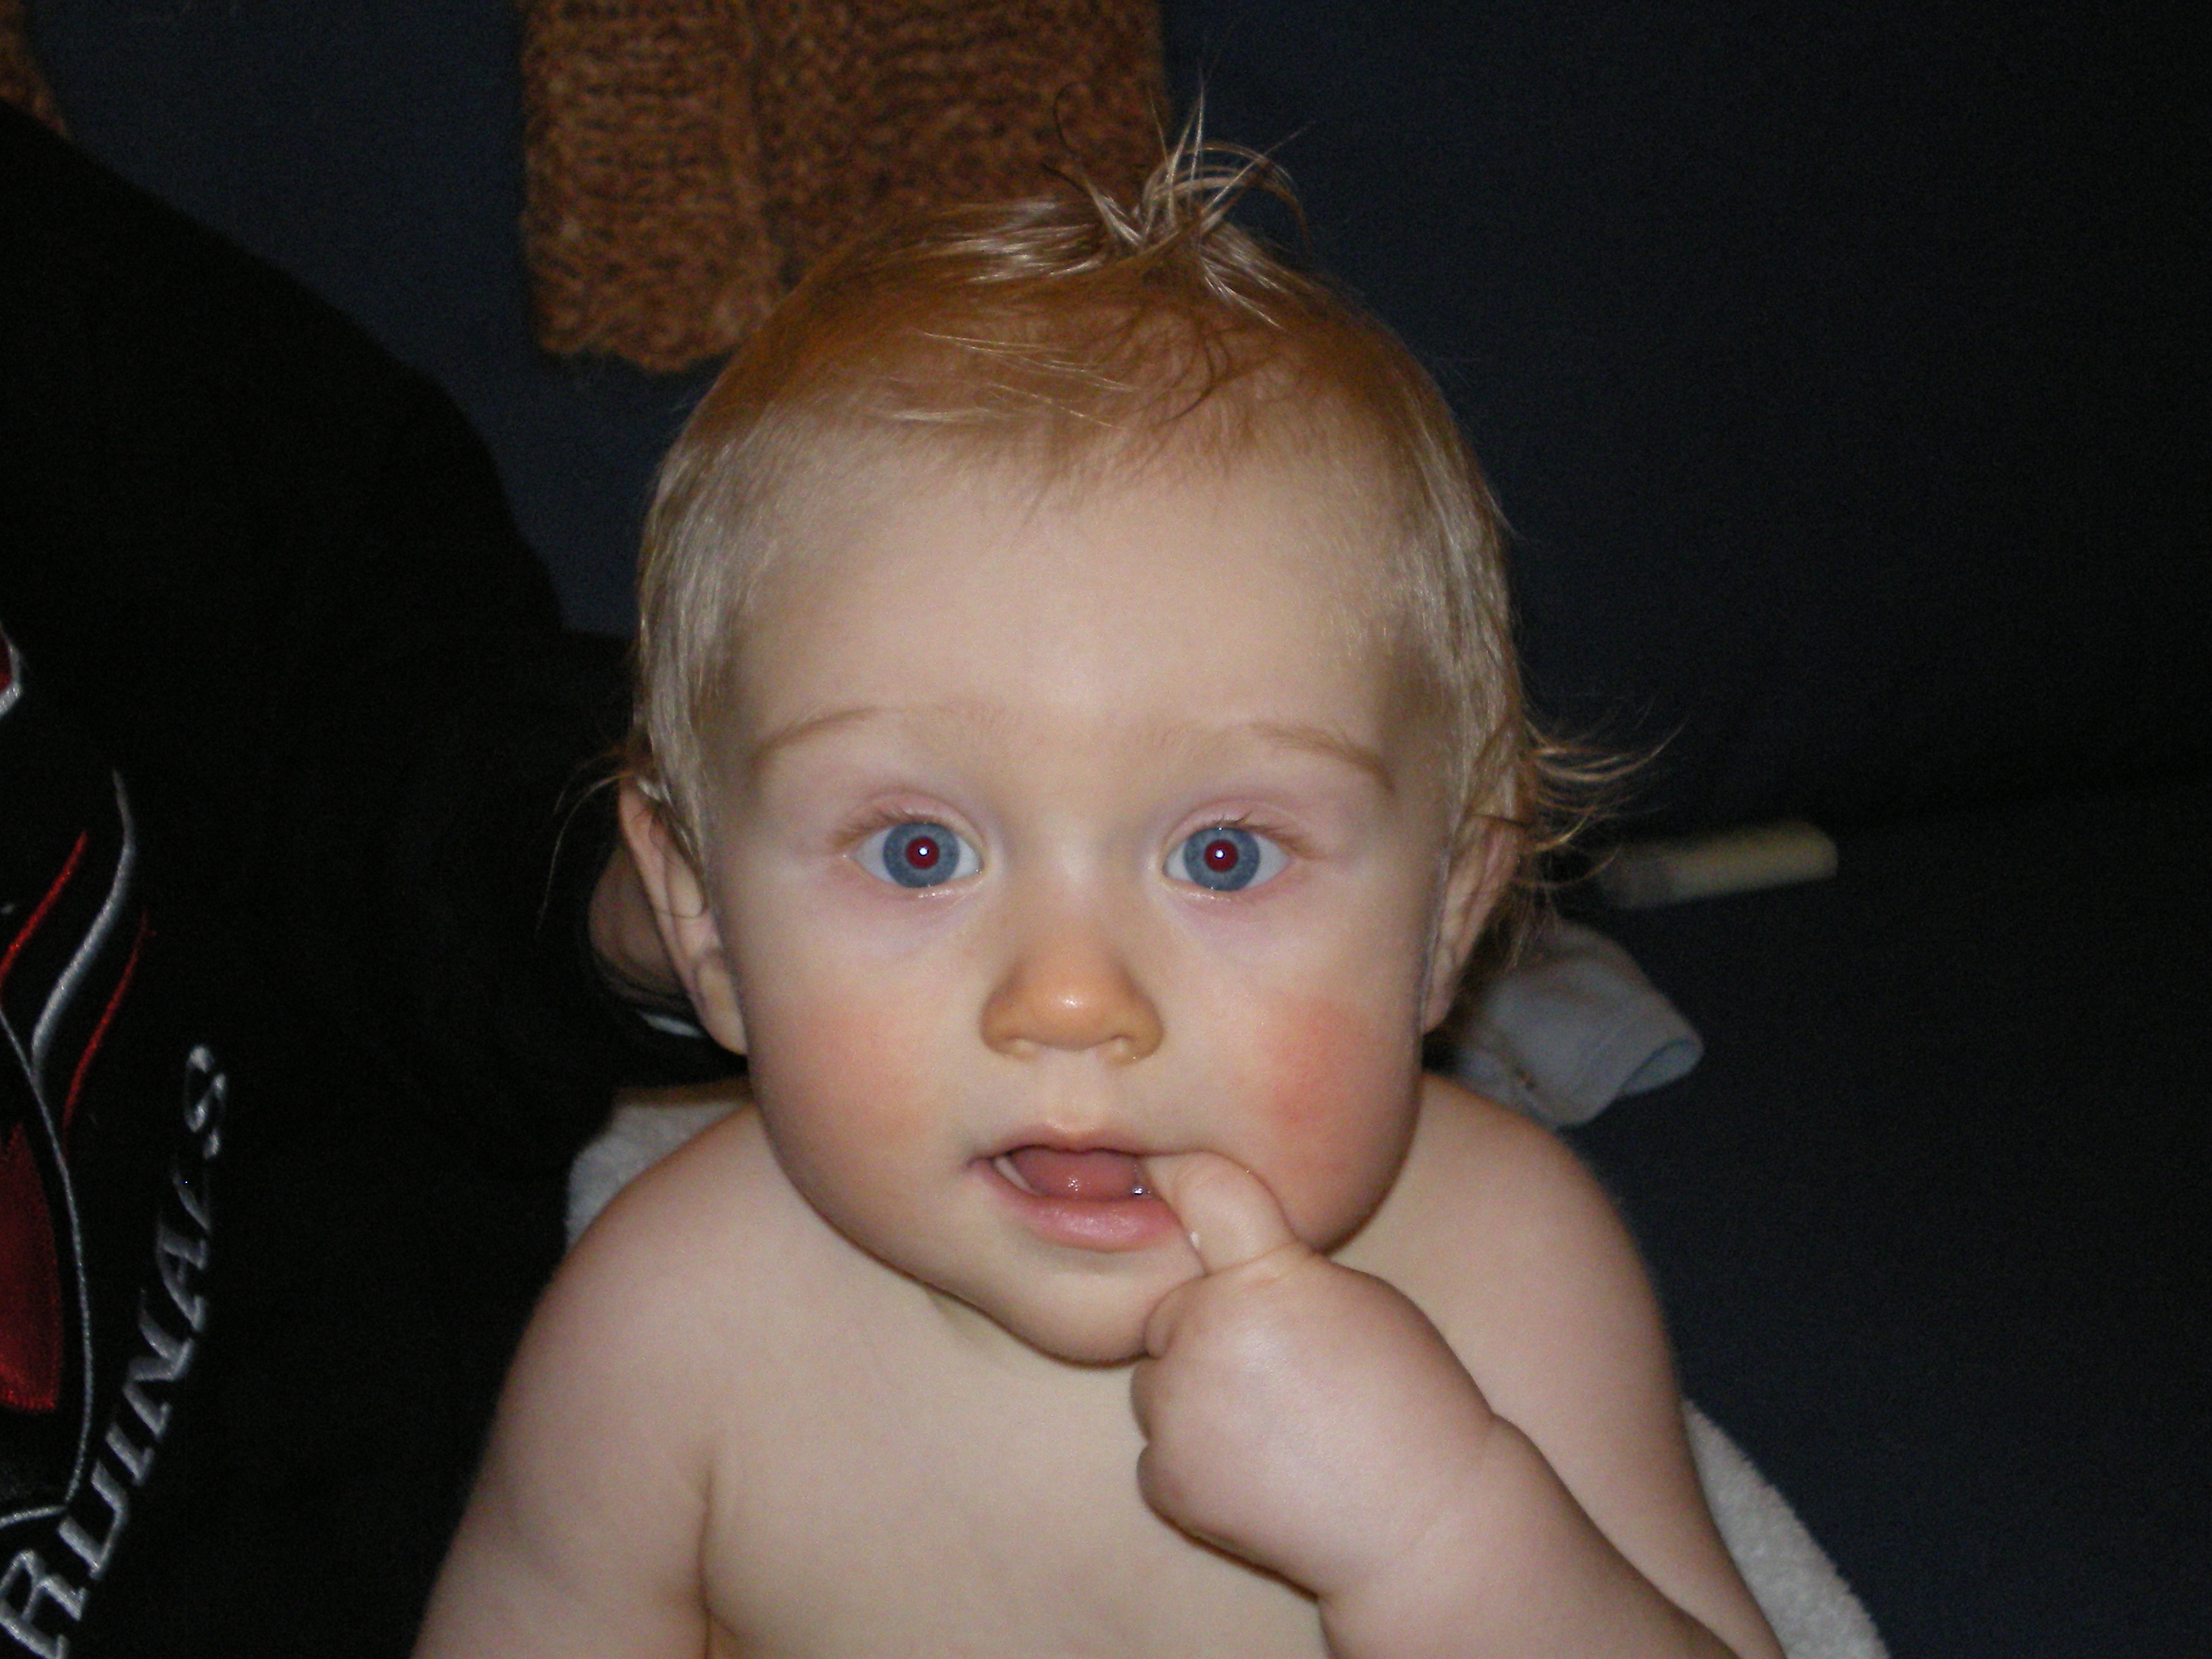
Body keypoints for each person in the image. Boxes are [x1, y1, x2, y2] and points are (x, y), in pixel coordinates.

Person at [415, 145, 1786, 1659]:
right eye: (918, 851)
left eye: (1224, 855)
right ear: (702, 922)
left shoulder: (1505, 1269)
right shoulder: (665, 1328)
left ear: (1449, 914)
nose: (1070, 1000)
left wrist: (1448, 1534)